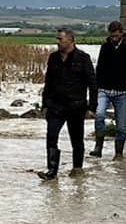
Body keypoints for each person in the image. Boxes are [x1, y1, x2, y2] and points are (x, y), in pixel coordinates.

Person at [39, 27, 96, 179]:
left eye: (60, 39)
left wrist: (92, 107)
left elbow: (92, 84)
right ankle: (51, 171)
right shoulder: (53, 58)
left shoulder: (83, 58)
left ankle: (77, 169)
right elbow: (48, 82)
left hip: (76, 106)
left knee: (77, 139)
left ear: (70, 40)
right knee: (51, 136)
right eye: (57, 39)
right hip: (55, 106)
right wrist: (44, 104)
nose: (57, 42)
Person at [90, 20, 126, 158]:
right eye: (112, 36)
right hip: (104, 90)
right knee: (99, 115)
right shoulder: (105, 48)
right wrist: (95, 89)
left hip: (122, 92)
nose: (114, 39)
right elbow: (99, 69)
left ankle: (118, 154)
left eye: (116, 36)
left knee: (122, 126)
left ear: (121, 33)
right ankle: (98, 147)